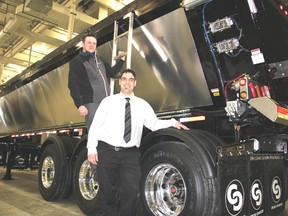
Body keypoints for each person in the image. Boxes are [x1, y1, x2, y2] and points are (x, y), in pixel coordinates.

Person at [87, 68, 189, 216]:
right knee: (108, 192)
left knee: (130, 191)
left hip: (130, 155)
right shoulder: (108, 102)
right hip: (107, 151)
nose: (127, 82)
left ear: (135, 83)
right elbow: (95, 125)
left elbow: (153, 124)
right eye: (124, 79)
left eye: (130, 80)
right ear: (120, 82)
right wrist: (91, 148)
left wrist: (172, 122)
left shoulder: (142, 105)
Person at [68, 33, 125, 131]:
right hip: (92, 103)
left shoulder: (99, 59)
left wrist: (122, 60)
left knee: (107, 131)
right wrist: (79, 105)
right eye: (89, 42)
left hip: (106, 102)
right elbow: (73, 84)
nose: (92, 45)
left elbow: (111, 73)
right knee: (95, 131)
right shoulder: (77, 61)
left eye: (94, 43)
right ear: (83, 44)